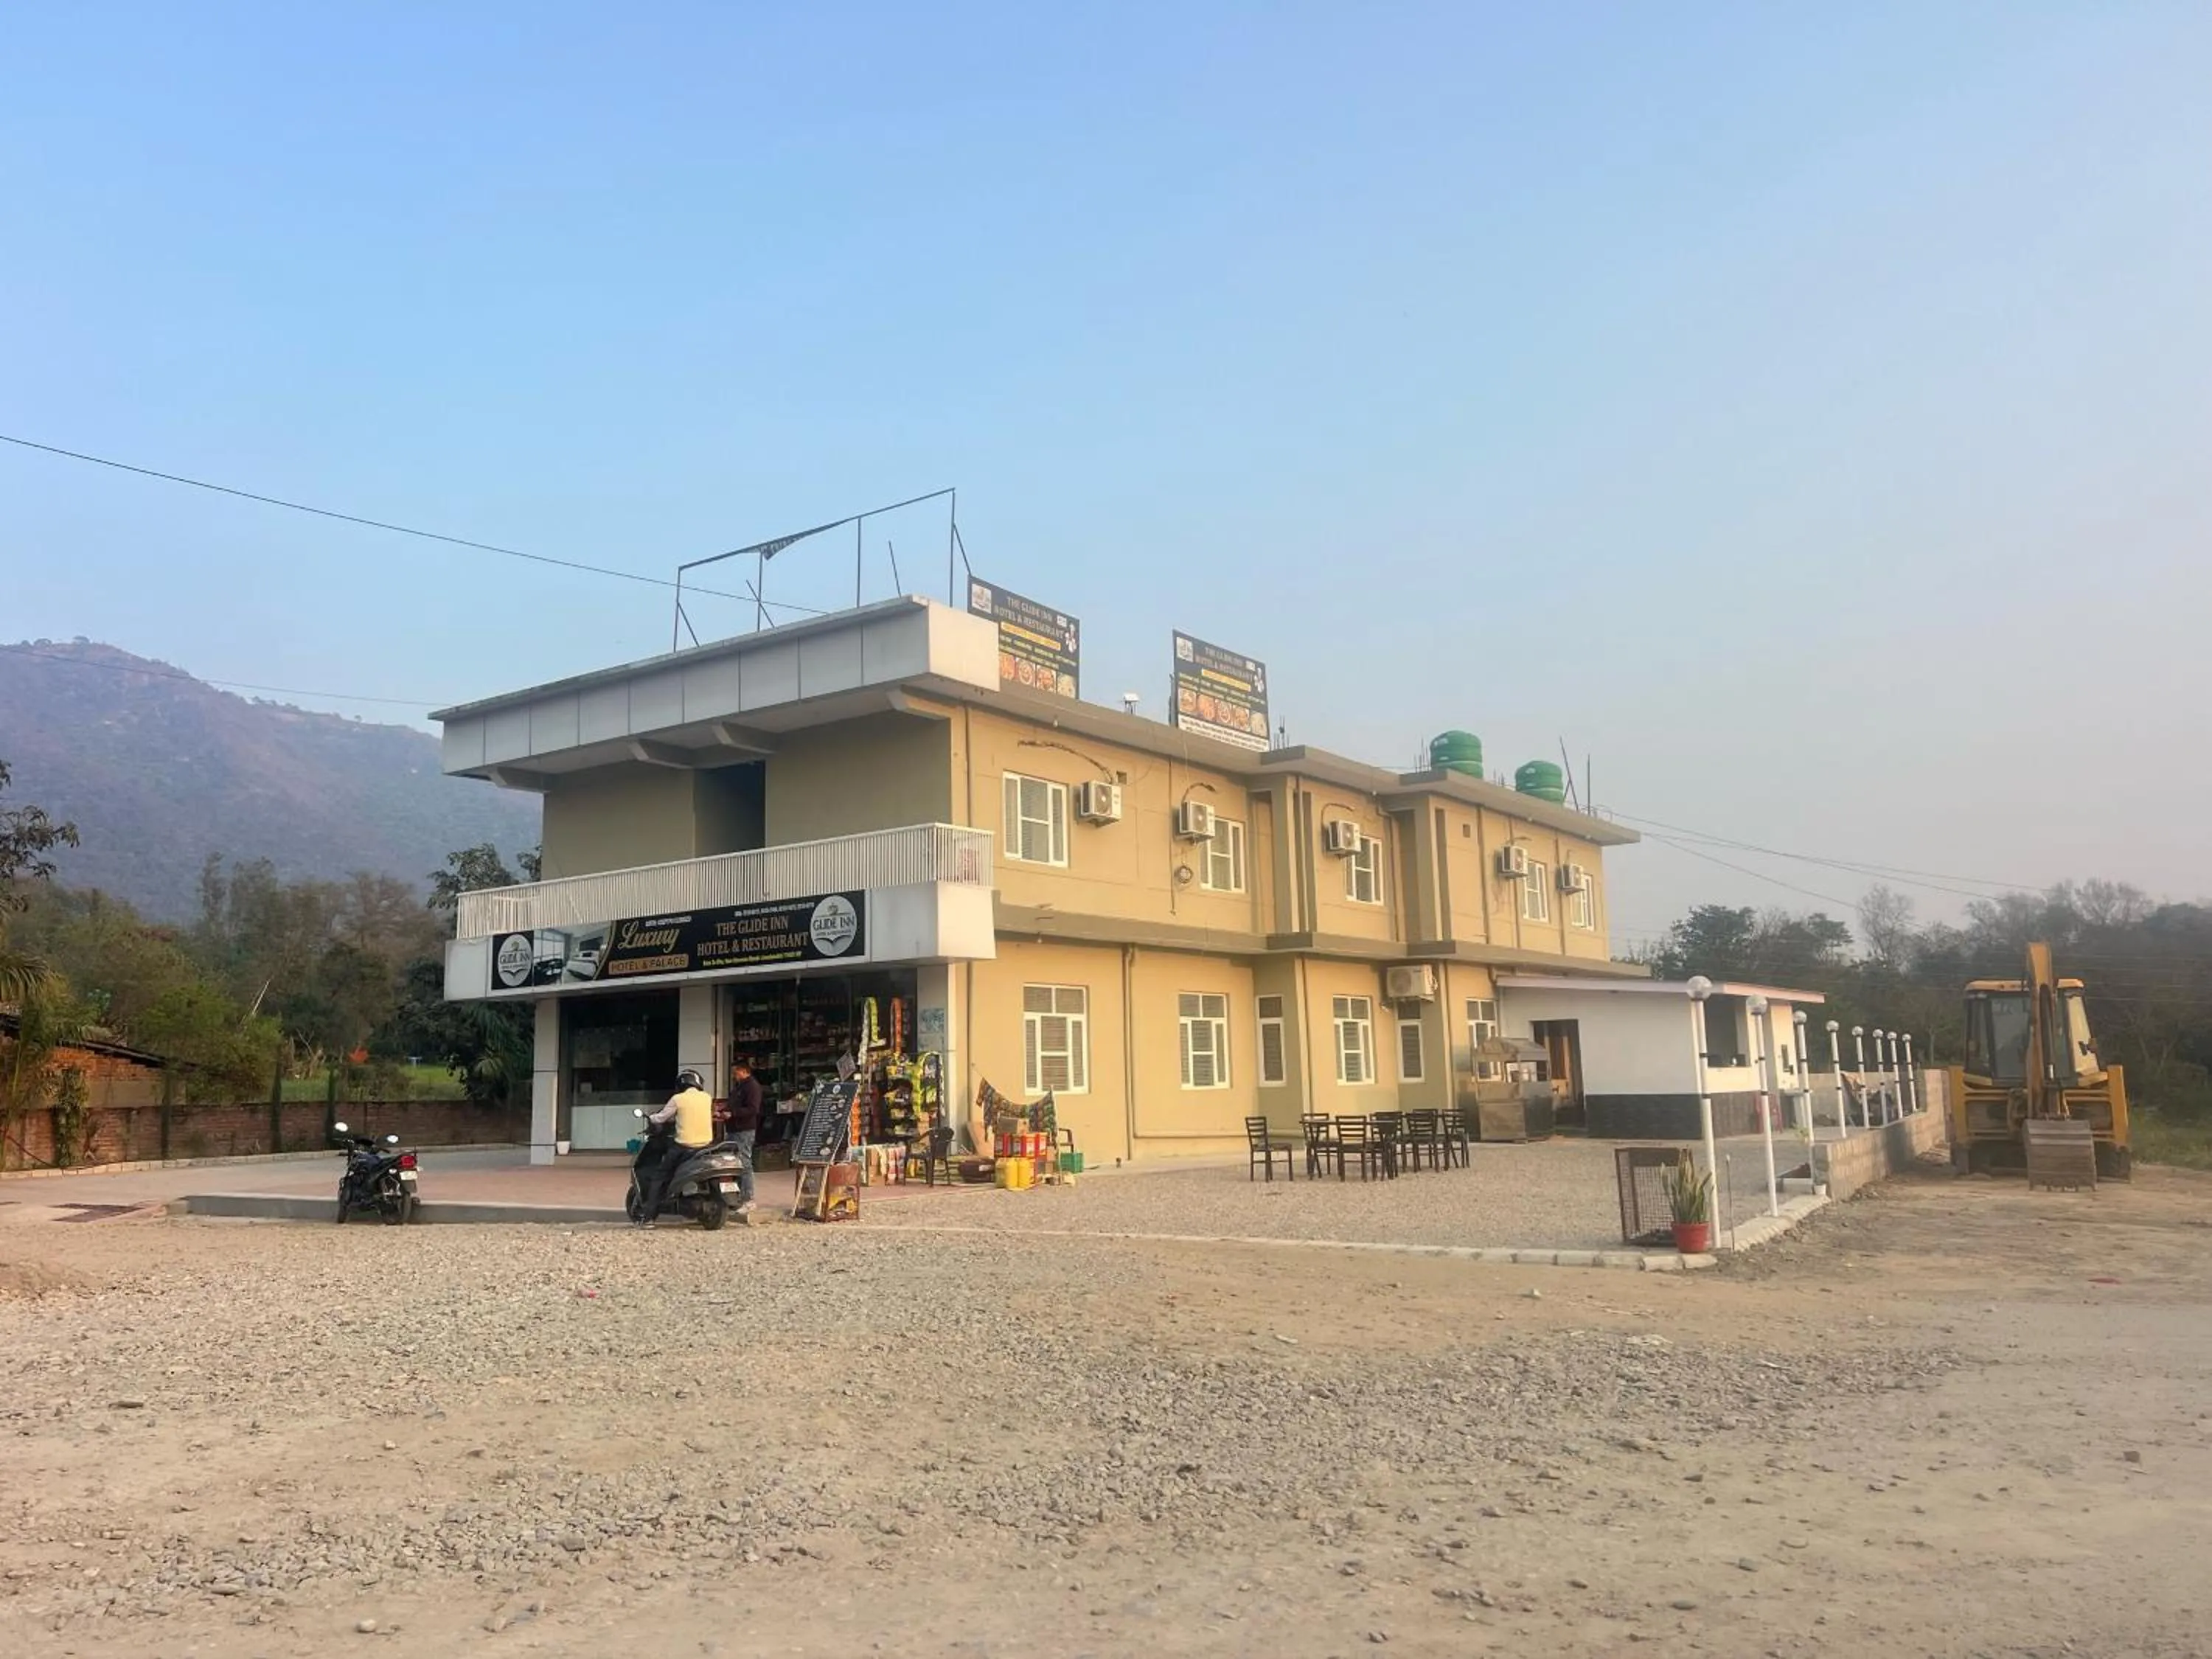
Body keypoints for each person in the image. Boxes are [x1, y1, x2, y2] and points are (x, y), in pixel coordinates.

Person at [637, 1068, 714, 1223]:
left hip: (684, 1146)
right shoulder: (707, 1097)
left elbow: (661, 1118)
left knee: (660, 1177)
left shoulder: (678, 1099)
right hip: (706, 1145)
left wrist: (651, 1117)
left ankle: (649, 1216)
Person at [726, 1057, 763, 1215]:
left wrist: (732, 1113)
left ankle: (749, 1199)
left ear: (744, 1071)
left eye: (736, 1072)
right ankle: (738, 1197)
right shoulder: (739, 1087)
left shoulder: (752, 1087)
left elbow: (753, 1109)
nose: (734, 1075)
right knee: (734, 1164)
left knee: (745, 1163)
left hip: (744, 1130)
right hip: (734, 1129)